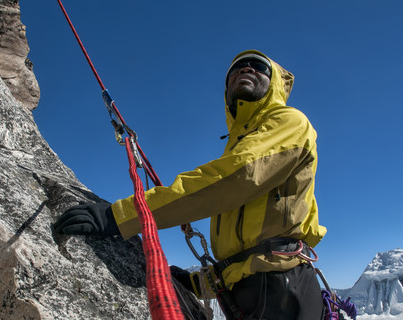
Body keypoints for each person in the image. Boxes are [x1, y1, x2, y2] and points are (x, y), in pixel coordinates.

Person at [54, 50, 327, 319]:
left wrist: (124, 215)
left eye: (258, 66)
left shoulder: (290, 121)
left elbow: (235, 178)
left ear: (275, 83)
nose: (246, 69)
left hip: (282, 289)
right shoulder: (240, 141)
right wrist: (196, 283)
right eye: (237, 68)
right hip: (260, 291)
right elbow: (244, 246)